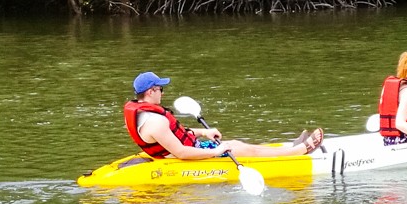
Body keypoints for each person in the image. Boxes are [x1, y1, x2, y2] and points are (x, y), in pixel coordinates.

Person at [124, 72, 321, 160]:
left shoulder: (143, 114)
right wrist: (215, 152)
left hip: (182, 148)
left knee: (236, 144)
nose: (163, 93)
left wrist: (203, 132)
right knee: (239, 148)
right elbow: (182, 153)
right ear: (150, 92)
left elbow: (175, 135)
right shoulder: (155, 122)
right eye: (160, 89)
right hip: (182, 157)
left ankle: (290, 148)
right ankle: (300, 151)